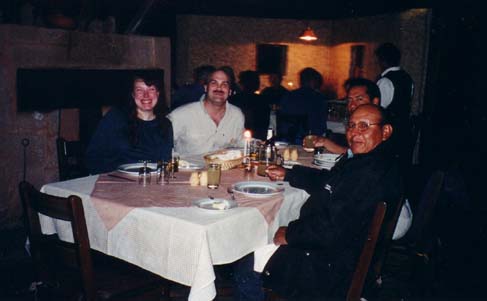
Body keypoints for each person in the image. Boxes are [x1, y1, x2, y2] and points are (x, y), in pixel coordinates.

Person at [234, 104, 401, 300]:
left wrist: (290, 234)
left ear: (385, 131)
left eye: (364, 126)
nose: (354, 133)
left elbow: (330, 230)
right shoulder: (373, 162)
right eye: (352, 125)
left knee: (246, 265)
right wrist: (289, 173)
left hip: (326, 269)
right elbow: (329, 182)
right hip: (345, 256)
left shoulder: (367, 174)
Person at [85, 74, 173, 174]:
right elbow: (93, 155)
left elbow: (165, 161)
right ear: (133, 94)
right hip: (116, 179)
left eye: (151, 89)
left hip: (150, 180)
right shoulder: (116, 118)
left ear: (158, 93)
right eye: (139, 90)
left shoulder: (165, 124)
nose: (146, 95)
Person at [168, 67, 245, 156]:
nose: (219, 88)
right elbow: (161, 144)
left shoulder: (236, 115)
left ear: (230, 91)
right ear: (205, 88)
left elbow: (241, 144)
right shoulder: (181, 115)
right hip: (189, 169)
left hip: (225, 169)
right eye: (214, 83)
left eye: (224, 84)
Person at [311, 77, 380, 154]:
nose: (352, 105)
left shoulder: (379, 126)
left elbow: (362, 155)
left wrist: (330, 145)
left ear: (375, 102)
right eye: (349, 100)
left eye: (359, 99)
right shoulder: (352, 125)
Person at [374, 43, 415, 174]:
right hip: (404, 129)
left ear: (382, 60)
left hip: (390, 132)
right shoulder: (408, 78)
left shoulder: (385, 81)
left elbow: (378, 110)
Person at [278, 67, 327, 144]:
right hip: (309, 141)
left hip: (286, 138)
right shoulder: (318, 98)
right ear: (313, 81)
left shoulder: (288, 95)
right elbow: (321, 126)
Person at [230, 70, 270, 140]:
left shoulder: (233, 99)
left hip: (238, 136)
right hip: (257, 137)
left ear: (242, 83)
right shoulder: (262, 100)